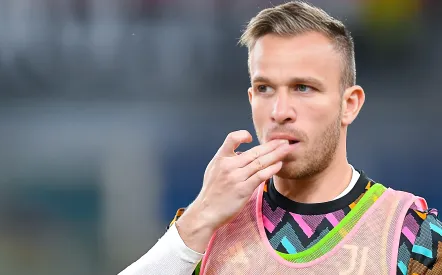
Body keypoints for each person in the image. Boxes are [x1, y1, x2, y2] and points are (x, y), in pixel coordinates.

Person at [119, 1, 442, 274]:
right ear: (250, 98)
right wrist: (200, 216)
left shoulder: (412, 235)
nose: (280, 110)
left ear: (349, 105)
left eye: (303, 88)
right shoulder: (205, 227)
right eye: (265, 89)